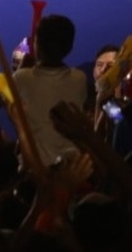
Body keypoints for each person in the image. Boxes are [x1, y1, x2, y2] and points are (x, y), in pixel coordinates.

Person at [13, 14, 89, 165]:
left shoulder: (22, 77)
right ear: (69, 47)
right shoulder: (80, 78)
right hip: (73, 163)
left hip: (36, 165)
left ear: (37, 45)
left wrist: (19, 69)